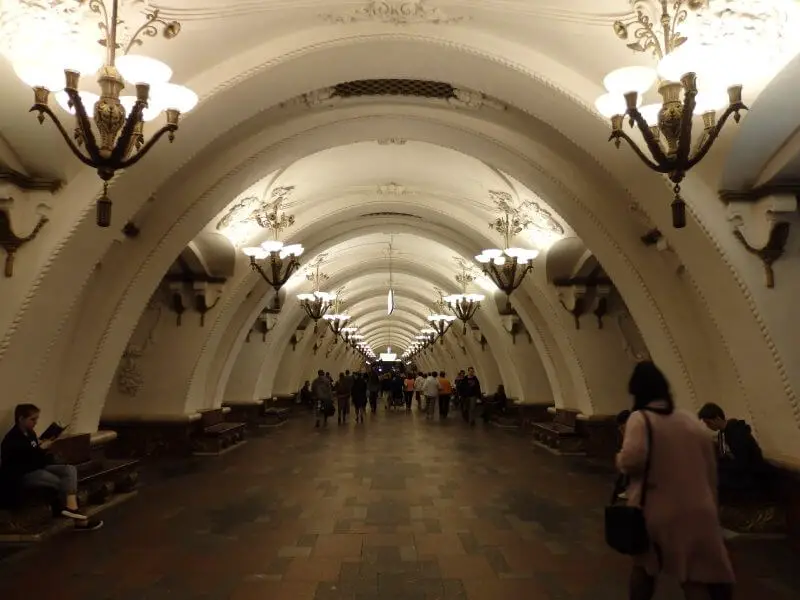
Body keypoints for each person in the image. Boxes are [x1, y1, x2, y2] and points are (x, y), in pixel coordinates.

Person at [617, 361, 734, 600]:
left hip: (657, 511)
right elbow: (710, 469)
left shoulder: (641, 420)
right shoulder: (690, 421)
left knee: (644, 567)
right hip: (698, 509)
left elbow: (632, 461)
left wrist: (618, 458)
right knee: (694, 576)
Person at [0, 404, 103, 531]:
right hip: (22, 475)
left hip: (38, 467)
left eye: (37, 419)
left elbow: (36, 456)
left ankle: (71, 507)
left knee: (69, 470)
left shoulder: (31, 434)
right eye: (32, 419)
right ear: (21, 419)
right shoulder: (12, 439)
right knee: (58, 481)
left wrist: (44, 446)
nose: (36, 423)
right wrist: (40, 449)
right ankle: (77, 518)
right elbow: (21, 461)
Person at [697, 402, 768, 498]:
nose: (708, 426)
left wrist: (721, 468)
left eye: (708, 423)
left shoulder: (738, 433)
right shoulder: (721, 435)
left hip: (751, 474)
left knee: (716, 480)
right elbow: (723, 455)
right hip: (737, 469)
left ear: (718, 418)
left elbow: (743, 463)